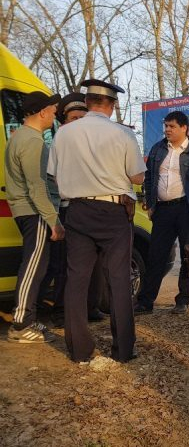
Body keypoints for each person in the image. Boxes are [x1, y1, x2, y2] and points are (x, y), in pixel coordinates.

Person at [48, 80, 146, 363]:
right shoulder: (122, 134)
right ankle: (124, 349)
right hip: (113, 212)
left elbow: (53, 174)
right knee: (117, 279)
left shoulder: (64, 134)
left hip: (76, 210)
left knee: (77, 280)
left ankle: (79, 350)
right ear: (112, 105)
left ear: (87, 102)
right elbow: (138, 176)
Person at [135, 110, 189, 315]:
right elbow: (149, 178)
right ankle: (145, 302)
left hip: (188, 210)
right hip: (163, 210)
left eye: (172, 126)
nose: (167, 130)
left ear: (184, 128)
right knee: (155, 256)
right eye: (166, 126)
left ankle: (183, 300)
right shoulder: (157, 149)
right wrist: (151, 204)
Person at [41, 92, 107, 327]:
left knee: (94, 263)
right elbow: (49, 181)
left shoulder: (94, 143)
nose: (78, 121)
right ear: (63, 120)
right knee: (63, 264)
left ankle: (91, 307)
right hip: (64, 210)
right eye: (73, 117)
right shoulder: (55, 143)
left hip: (92, 208)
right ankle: (60, 312)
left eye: (82, 117)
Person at [5, 91, 63, 343]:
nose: (54, 115)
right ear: (42, 112)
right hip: (34, 212)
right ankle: (21, 325)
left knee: (37, 266)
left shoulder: (19, 137)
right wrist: (54, 220)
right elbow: (37, 186)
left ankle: (28, 319)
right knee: (32, 267)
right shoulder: (32, 141)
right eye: (53, 110)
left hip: (28, 210)